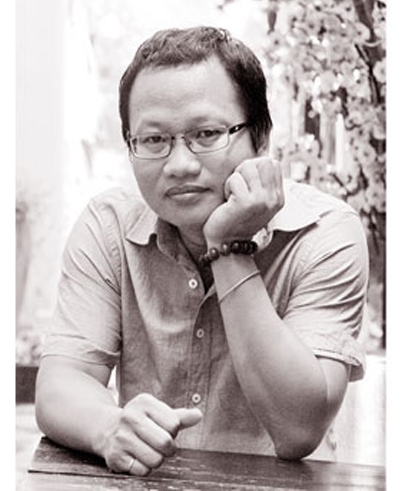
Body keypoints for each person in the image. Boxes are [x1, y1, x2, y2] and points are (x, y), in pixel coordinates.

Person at [35, 26, 369, 476]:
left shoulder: (324, 233)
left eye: (207, 133)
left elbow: (297, 430)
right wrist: (109, 427)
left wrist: (229, 248)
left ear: (261, 138)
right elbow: (61, 384)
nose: (180, 165)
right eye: (154, 140)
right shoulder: (109, 226)